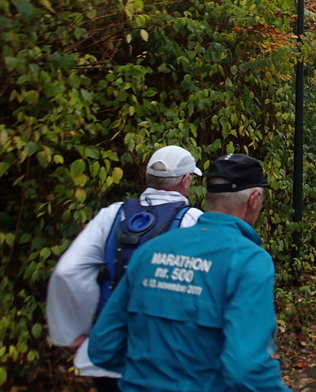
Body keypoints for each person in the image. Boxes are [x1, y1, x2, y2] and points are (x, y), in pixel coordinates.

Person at [88, 153, 291, 392]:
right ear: (254, 199)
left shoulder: (151, 251)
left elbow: (102, 346)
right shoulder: (249, 261)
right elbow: (246, 369)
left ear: (208, 197)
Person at [47, 145, 204, 392]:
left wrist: (71, 332)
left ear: (147, 177)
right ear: (186, 180)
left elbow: (67, 271)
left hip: (108, 352)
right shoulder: (194, 221)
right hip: (166, 358)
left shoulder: (112, 214)